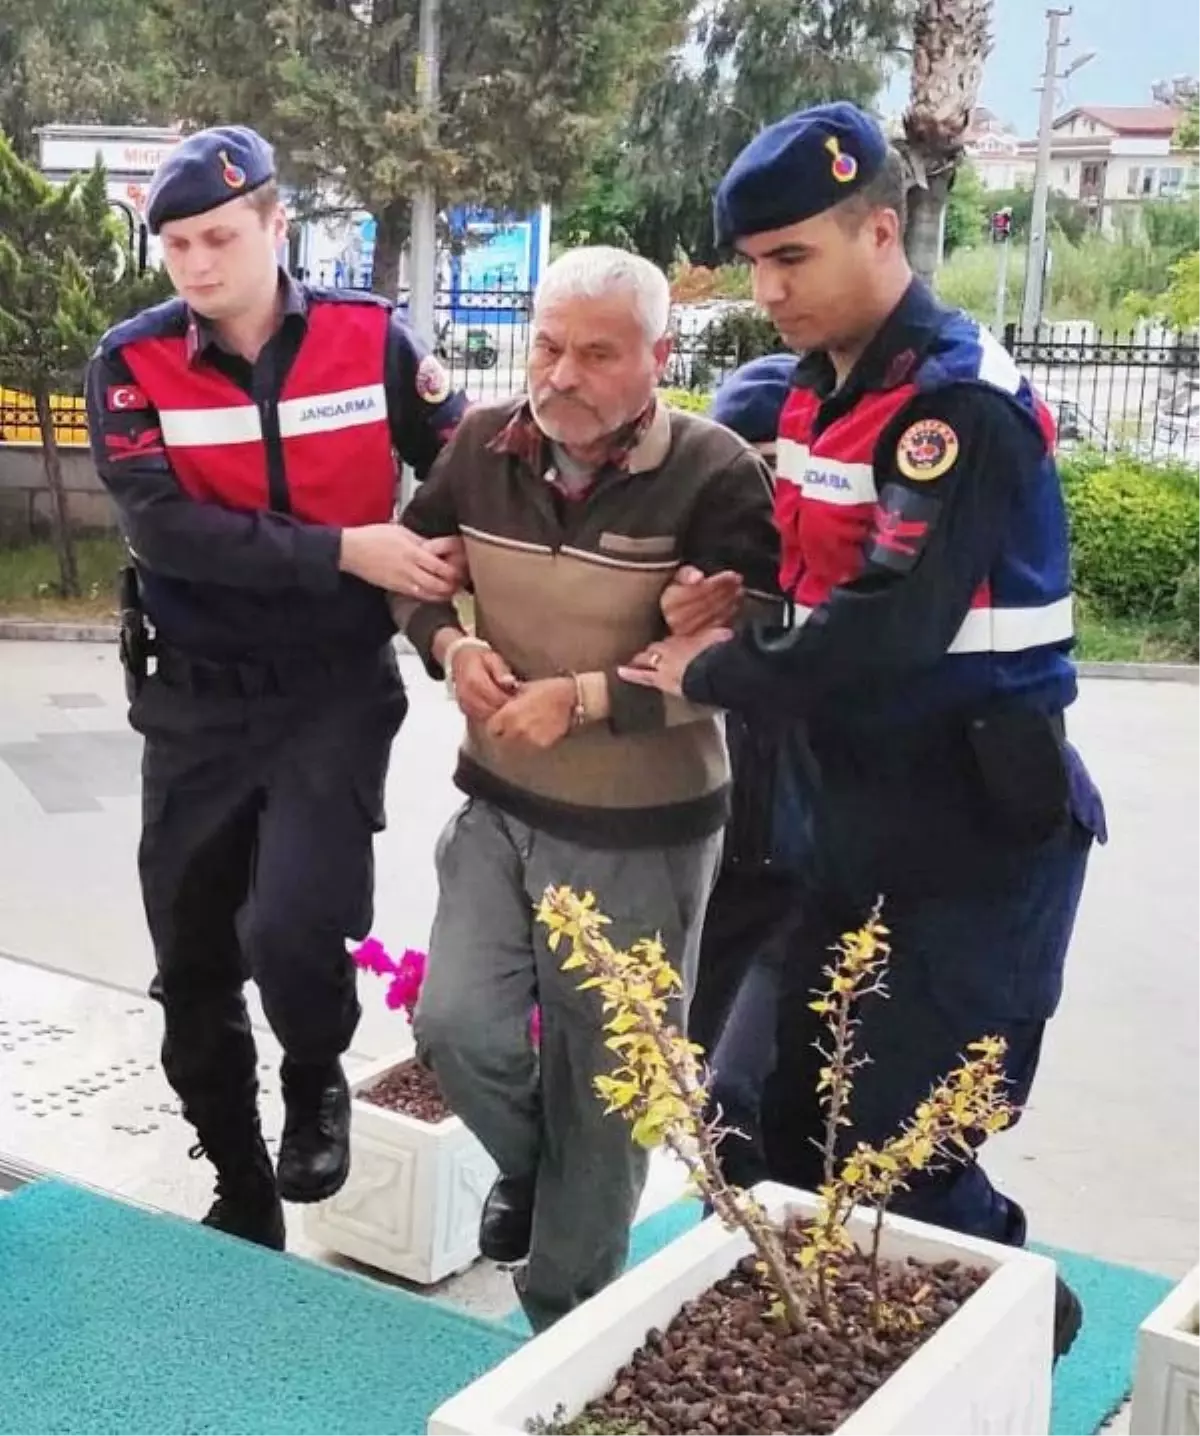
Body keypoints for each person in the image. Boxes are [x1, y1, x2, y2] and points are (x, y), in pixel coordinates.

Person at [619, 102, 1105, 1360]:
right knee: (748, 1124)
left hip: (971, 839)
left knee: (898, 1153)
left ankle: (1017, 1324)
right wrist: (733, 602)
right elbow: (824, 583)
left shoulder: (956, 406)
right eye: (755, 262)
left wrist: (717, 667)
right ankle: (852, 1352)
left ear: (880, 231)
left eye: (795, 258)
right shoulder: (816, 396)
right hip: (838, 824)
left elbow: (891, 626)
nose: (767, 289)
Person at [84, 125, 469, 1252]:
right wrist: (346, 548)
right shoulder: (132, 361)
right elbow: (166, 529)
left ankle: (314, 1074)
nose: (195, 264)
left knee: (298, 920)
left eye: (217, 236)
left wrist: (452, 582)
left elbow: (465, 467)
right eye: (176, 244)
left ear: (273, 226)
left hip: (331, 688)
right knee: (193, 954)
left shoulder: (371, 340)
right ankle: (239, 1174)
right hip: (195, 701)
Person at [392, 246, 781, 1331]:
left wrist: (586, 696)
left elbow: (745, 659)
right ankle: (540, 1175)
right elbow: (419, 577)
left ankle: (562, 1333)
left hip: (643, 831)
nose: (560, 373)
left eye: (596, 353)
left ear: (660, 356)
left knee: (612, 1090)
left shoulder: (716, 471)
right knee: (456, 1022)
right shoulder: (478, 445)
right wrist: (449, 651)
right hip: (500, 803)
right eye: (548, 345)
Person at [671, 355, 816, 1189]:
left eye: (776, 470)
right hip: (721, 874)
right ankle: (739, 1266)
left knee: (741, 1096)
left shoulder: (847, 594)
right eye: (743, 472)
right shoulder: (696, 576)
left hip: (815, 881)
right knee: (689, 1096)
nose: (763, 502)